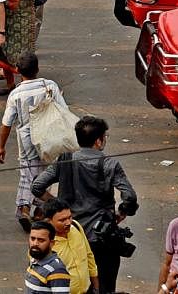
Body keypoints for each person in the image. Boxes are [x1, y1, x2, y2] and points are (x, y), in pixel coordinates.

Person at [32, 116, 139, 294]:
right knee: (104, 285)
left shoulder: (64, 160)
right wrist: (120, 214)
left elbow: (37, 186)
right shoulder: (109, 164)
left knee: (67, 284)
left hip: (68, 235)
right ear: (99, 141)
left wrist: (57, 207)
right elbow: (130, 197)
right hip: (99, 238)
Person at [0, 54, 66, 230]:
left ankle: (26, 207)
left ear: (18, 71)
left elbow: (6, 123)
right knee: (45, 174)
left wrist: (1, 147)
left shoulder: (16, 94)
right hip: (50, 138)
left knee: (28, 174)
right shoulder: (50, 86)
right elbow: (63, 110)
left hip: (27, 140)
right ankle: (41, 208)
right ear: (37, 69)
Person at [41, 199, 97, 294]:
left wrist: (96, 285)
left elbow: (89, 255)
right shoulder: (43, 243)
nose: (68, 222)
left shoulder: (76, 226)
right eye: (62, 220)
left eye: (69, 217)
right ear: (49, 221)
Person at [25, 221, 72, 294]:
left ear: (52, 243)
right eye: (32, 238)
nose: (35, 243)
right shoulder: (34, 260)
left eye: (41, 240)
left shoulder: (57, 270)